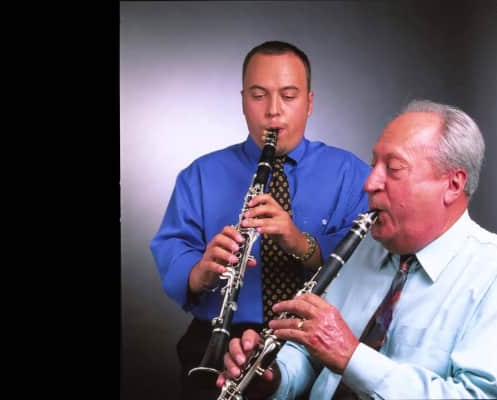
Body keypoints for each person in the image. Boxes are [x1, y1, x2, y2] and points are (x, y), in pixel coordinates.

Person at [218, 99, 497, 399]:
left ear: (453, 185)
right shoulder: (362, 249)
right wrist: (274, 378)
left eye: (393, 168)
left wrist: (351, 356)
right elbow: (309, 354)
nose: (369, 183)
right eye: (374, 166)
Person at [150, 40, 371, 399]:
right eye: (258, 95)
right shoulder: (199, 175)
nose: (273, 111)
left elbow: (368, 263)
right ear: (242, 101)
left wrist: (301, 243)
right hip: (220, 342)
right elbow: (174, 250)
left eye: (289, 96)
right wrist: (200, 272)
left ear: (309, 102)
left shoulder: (351, 173)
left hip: (316, 342)